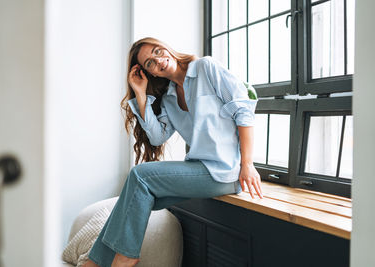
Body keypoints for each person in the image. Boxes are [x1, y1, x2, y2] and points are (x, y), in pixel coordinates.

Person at [82, 37, 263, 267]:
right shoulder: (168, 97)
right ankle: (94, 263)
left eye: (158, 51)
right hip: (200, 169)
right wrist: (140, 94)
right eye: (149, 63)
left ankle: (125, 258)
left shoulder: (206, 68)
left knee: (139, 176)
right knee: (133, 199)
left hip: (225, 171)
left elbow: (244, 111)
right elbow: (157, 137)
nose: (158, 60)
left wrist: (247, 164)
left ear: (167, 47)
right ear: (151, 74)